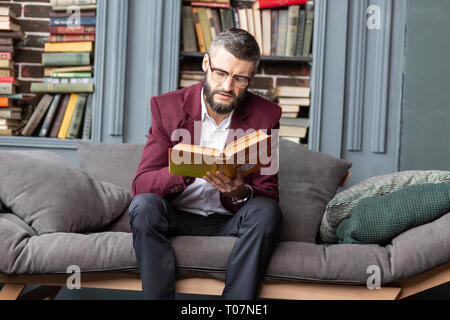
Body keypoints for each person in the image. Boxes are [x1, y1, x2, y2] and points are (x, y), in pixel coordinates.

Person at [129, 28, 282, 300]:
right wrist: (184, 171)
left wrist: (239, 192)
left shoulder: (267, 115)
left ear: (251, 77)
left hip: (230, 219)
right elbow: (141, 185)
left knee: (266, 211)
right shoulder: (167, 107)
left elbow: (269, 193)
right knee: (144, 206)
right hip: (175, 217)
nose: (227, 87)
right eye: (220, 73)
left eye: (239, 79)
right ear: (206, 63)